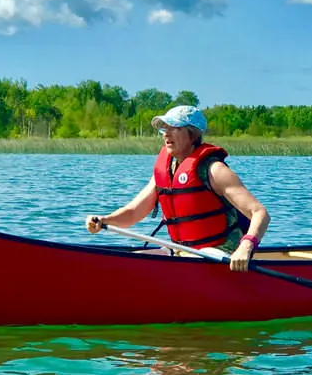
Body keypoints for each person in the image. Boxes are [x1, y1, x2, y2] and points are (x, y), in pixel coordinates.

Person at [86, 105, 270, 272]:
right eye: (164, 128)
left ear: (193, 135)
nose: (166, 133)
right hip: (182, 251)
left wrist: (246, 247)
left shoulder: (215, 171)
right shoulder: (165, 172)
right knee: (131, 261)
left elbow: (259, 213)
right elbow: (133, 212)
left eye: (174, 128)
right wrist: (104, 220)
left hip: (221, 252)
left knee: (189, 259)